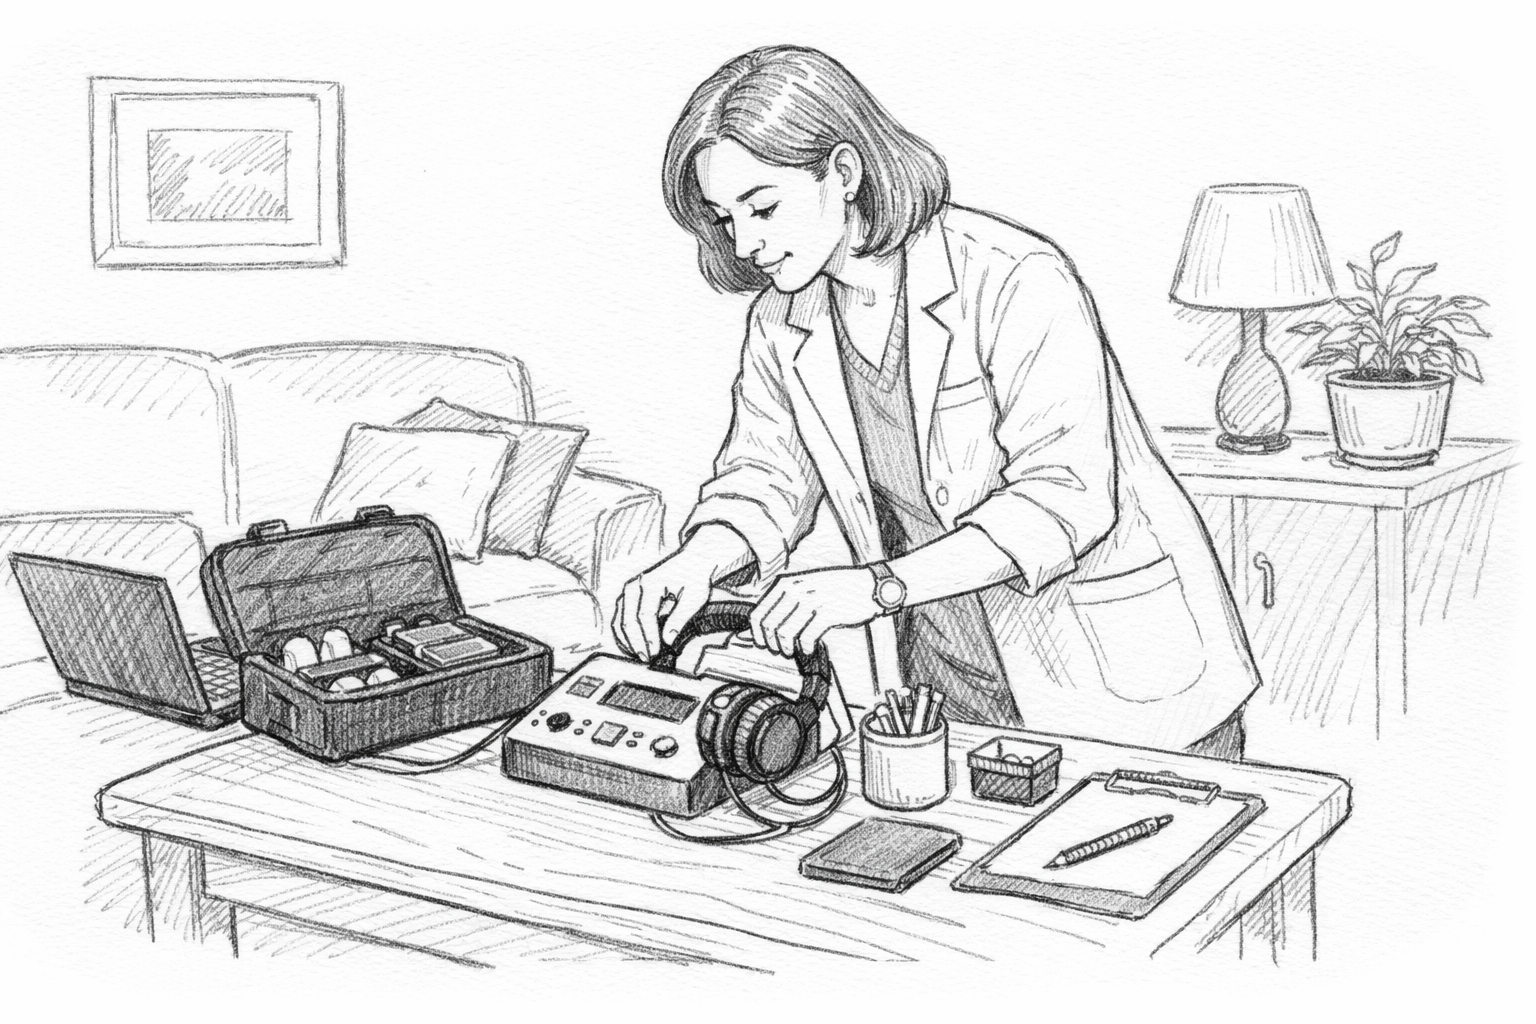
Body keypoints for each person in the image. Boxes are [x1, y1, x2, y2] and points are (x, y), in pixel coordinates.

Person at [614, 45, 1260, 759]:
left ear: (844, 172)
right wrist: (698, 558)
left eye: (762, 207)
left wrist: (875, 588)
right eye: (725, 218)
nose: (748, 242)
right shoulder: (779, 320)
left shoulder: (1016, 278)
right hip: (942, 683)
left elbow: (1066, 499)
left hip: (1117, 687)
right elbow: (763, 479)